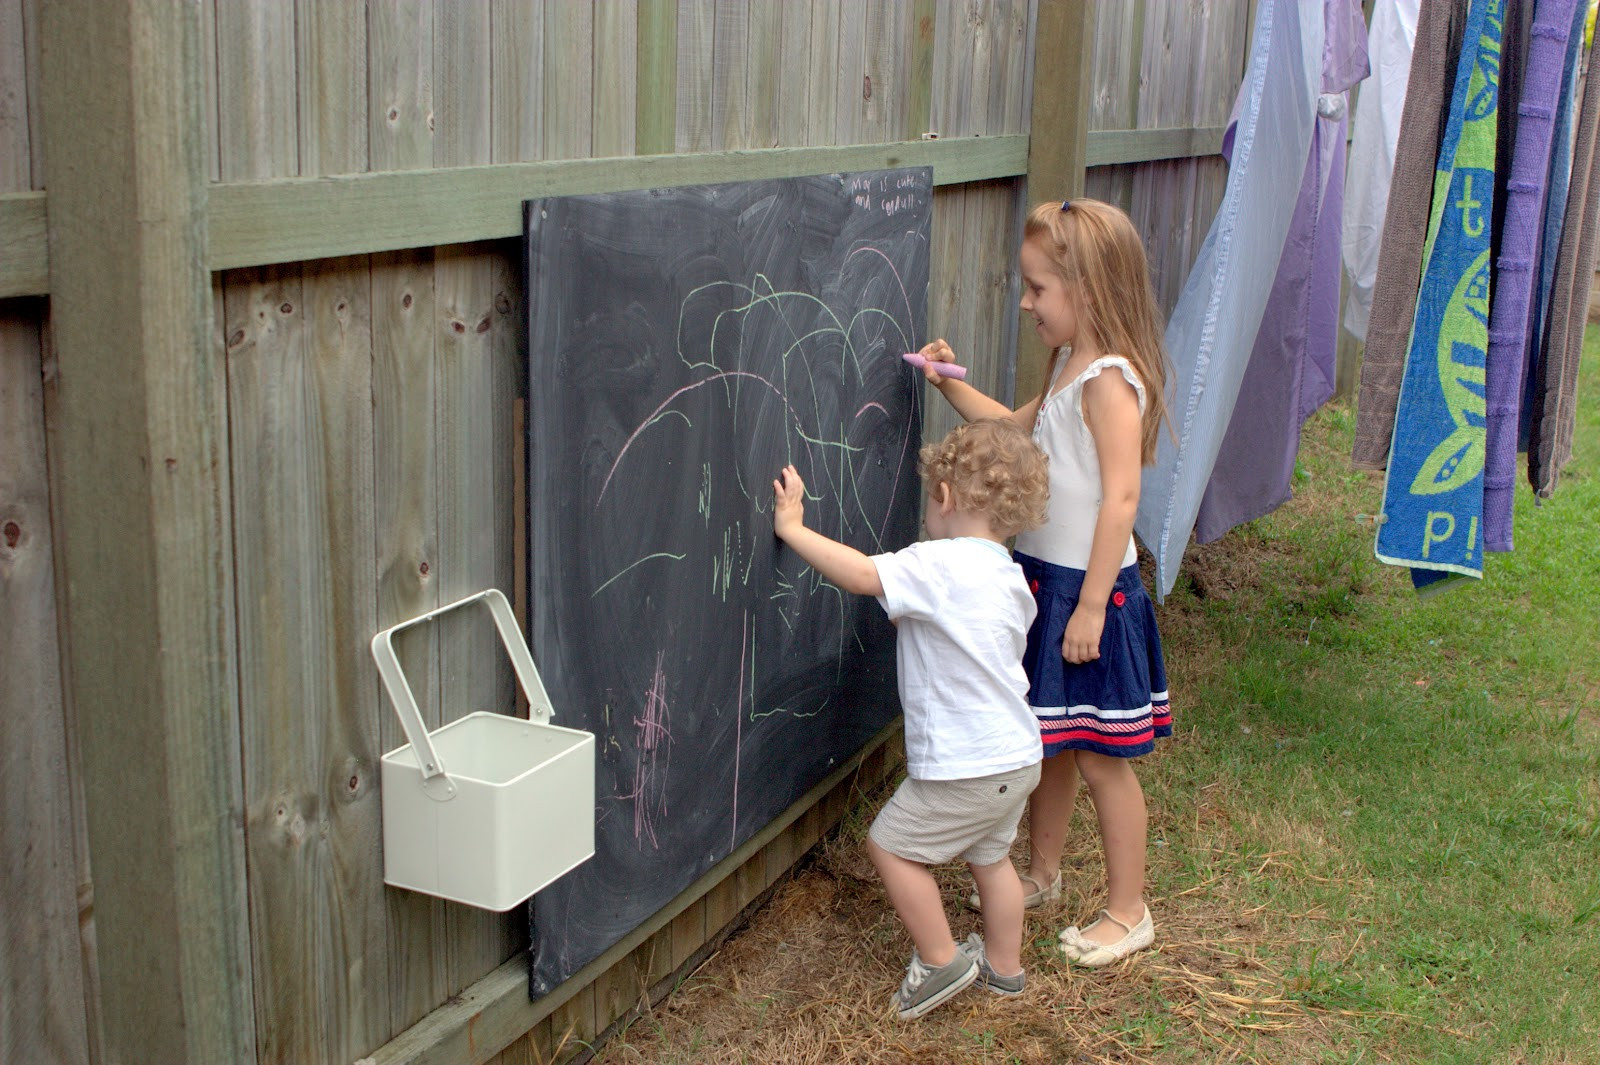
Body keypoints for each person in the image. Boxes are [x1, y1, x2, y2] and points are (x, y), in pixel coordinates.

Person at [916, 197, 1173, 968]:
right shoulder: (1068, 366)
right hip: (1047, 583)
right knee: (1050, 741)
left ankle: (1130, 910)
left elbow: (1122, 498)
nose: (1025, 302)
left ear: (1087, 290)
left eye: (1037, 289)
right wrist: (947, 382)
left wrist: (1092, 603)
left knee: (1101, 757)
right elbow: (1011, 428)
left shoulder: (1111, 382)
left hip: (1093, 594)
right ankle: (1045, 872)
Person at [772, 418, 1049, 1020]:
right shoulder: (1006, 573)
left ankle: (940, 957)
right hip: (1018, 756)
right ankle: (1004, 970)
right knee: (992, 860)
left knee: (893, 848)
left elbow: (864, 574)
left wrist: (793, 528)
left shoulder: (937, 562)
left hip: (966, 764)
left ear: (945, 496)